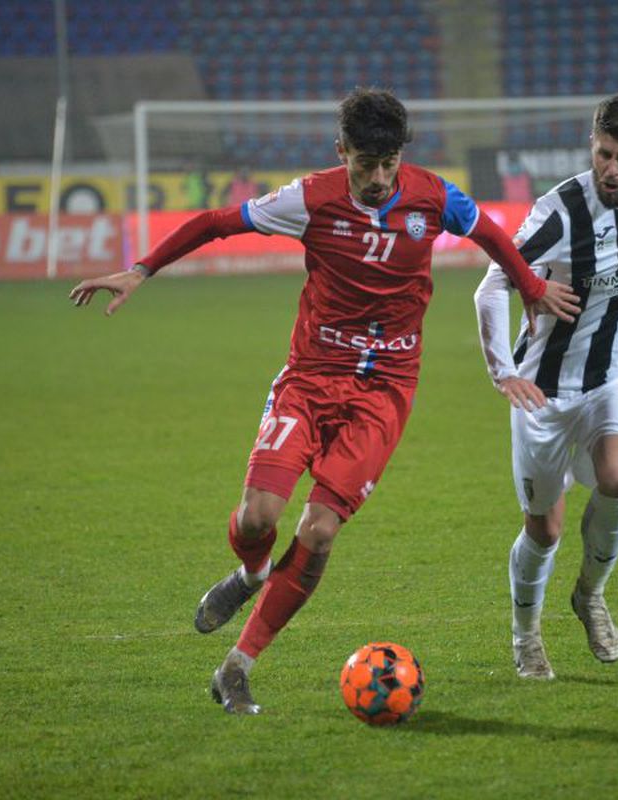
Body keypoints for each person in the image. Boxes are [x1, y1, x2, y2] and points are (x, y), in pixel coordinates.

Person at [69, 88, 580, 714]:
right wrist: (141, 270)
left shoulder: (433, 195)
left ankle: (237, 665)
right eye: (365, 162)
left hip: (385, 392)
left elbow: (491, 235)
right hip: (311, 377)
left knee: (319, 529)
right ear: (341, 152)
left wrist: (530, 288)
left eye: (389, 161)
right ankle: (252, 573)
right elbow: (214, 224)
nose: (378, 176)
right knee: (258, 518)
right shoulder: (309, 199)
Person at [473, 93, 618, 680]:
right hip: (544, 390)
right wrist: (503, 370)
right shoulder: (556, 213)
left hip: (617, 371)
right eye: (604, 153)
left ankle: (590, 594)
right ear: (592, 143)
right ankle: (526, 634)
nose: (613, 169)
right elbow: (490, 286)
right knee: (545, 528)